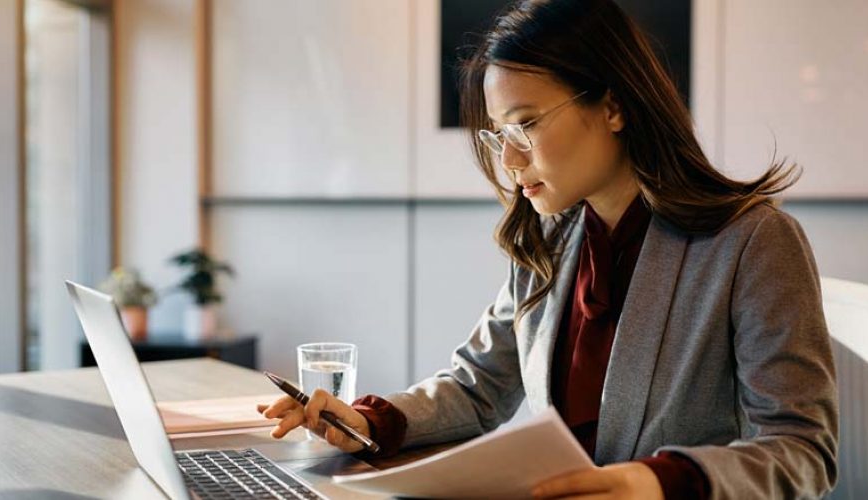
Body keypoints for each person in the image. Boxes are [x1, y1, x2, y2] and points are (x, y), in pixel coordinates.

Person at [258, 0, 838, 497]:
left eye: (526, 125)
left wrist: (660, 483)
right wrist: (367, 421)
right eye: (498, 134)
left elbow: (801, 451)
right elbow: (478, 387)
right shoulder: (554, 235)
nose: (509, 161)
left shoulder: (751, 243)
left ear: (613, 107)